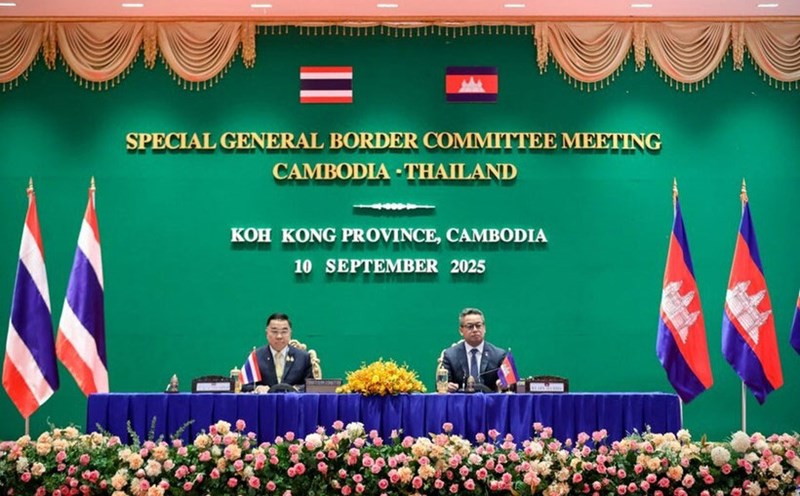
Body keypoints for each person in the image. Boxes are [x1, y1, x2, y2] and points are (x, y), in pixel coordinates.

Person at [441, 308, 507, 392]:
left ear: (484, 328)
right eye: (470, 326)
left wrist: (504, 383)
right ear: (461, 331)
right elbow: (440, 384)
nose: (475, 330)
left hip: (490, 403)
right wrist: (447, 386)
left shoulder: (498, 355)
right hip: (460, 403)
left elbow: (510, 384)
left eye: (478, 325)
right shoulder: (450, 355)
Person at [243, 313, 313, 392]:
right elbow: (244, 385)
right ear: (267, 333)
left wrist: (296, 389)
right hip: (266, 402)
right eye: (274, 331)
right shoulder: (255, 357)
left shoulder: (303, 357)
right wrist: (258, 388)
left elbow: (310, 385)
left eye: (284, 332)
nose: (279, 336)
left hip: (294, 402)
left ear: (290, 333)